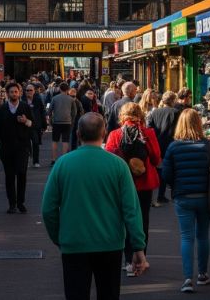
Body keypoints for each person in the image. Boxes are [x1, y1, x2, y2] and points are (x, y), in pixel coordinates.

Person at [42, 113, 149, 300]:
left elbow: (48, 209)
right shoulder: (118, 165)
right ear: (104, 133)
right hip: (110, 243)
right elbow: (131, 209)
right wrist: (138, 247)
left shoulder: (62, 164)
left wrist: (59, 237)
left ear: (77, 133)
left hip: (74, 243)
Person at [161, 109, 210, 293]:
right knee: (203, 235)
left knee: (186, 237)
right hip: (205, 197)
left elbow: (166, 174)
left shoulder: (174, 147)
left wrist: (176, 185)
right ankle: (203, 273)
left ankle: (187, 278)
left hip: (183, 197)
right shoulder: (209, 145)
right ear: (199, 124)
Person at [105, 102, 161, 277]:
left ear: (122, 116)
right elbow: (156, 158)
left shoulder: (115, 134)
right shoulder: (148, 133)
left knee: (123, 219)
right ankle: (141, 257)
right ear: (140, 115)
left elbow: (109, 158)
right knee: (143, 219)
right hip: (144, 183)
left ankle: (128, 260)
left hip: (122, 184)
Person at [0, 81, 35, 213]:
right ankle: (12, 203)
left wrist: (26, 121)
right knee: (10, 176)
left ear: (19, 93)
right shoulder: (2, 110)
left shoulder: (25, 107)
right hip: (7, 148)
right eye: (11, 92)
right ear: (7, 94)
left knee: (22, 174)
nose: (14, 94)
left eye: (16, 92)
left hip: (22, 147)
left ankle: (20, 202)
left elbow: (34, 125)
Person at [147, 91, 183, 206]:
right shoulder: (177, 113)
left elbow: (149, 129)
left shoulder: (154, 113)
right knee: (174, 169)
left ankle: (160, 195)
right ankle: (173, 193)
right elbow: (181, 129)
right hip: (172, 144)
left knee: (160, 170)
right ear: (173, 101)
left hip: (157, 145)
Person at [49, 81, 78, 164]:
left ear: (60, 89)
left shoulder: (55, 98)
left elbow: (50, 110)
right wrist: (72, 119)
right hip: (67, 122)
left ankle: (53, 159)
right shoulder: (71, 99)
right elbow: (74, 112)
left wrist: (51, 119)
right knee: (65, 141)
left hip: (57, 122)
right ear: (67, 89)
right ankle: (64, 159)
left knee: (55, 141)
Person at [24, 83, 48, 168]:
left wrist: (44, 125)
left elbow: (42, 113)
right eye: (27, 90)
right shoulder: (22, 100)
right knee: (25, 145)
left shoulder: (38, 100)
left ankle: (36, 161)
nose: (29, 92)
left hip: (35, 126)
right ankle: (25, 161)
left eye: (31, 90)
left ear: (34, 91)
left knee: (35, 143)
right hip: (24, 126)